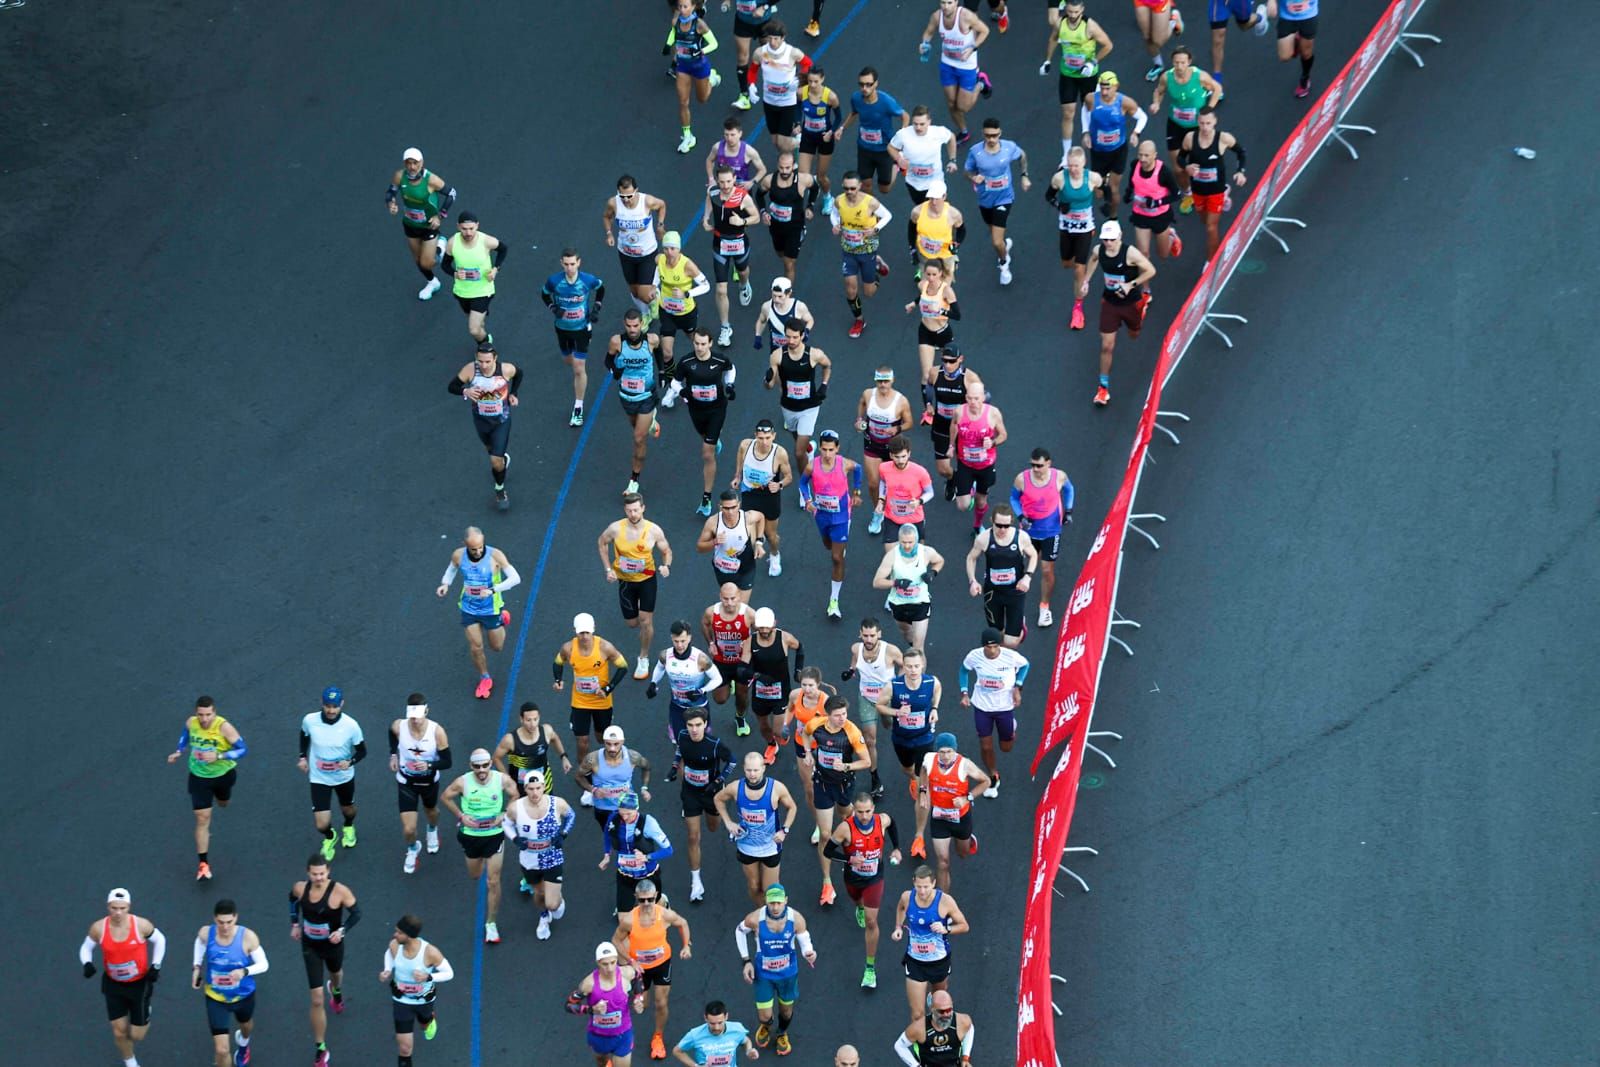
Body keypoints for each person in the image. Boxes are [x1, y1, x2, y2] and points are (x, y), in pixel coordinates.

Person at [439, 750, 519, 943]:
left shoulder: (502, 779)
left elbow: (516, 794)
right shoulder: (463, 782)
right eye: (477, 766)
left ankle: (491, 924)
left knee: (493, 881)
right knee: (475, 874)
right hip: (471, 836)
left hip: (494, 836)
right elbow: (445, 797)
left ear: (491, 763)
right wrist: (461, 816)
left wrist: (505, 813)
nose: (481, 770)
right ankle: (483, 864)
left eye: (485, 765)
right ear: (470, 765)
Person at [81, 887, 167, 1067]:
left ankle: (146, 1012)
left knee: (137, 1035)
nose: (118, 913)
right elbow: (86, 947)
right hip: (113, 984)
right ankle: (130, 1062)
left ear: (129, 907)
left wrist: (156, 965)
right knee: (119, 1032)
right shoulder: (99, 928)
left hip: (139, 984)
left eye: (122, 908)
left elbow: (160, 940)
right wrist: (87, 963)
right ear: (108, 907)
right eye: (114, 908)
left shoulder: (141, 925)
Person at [823, 792, 901, 988]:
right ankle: (859, 906)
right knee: (857, 900)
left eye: (867, 811)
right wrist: (849, 859)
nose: (864, 816)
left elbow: (893, 825)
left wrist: (897, 848)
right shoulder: (845, 828)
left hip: (875, 878)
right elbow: (828, 851)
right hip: (853, 879)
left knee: (871, 921)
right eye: (860, 812)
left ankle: (869, 969)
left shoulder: (881, 820)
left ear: (873, 809)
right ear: (854, 811)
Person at [290, 855, 360, 1067]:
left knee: (336, 974)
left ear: (328, 872)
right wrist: (294, 923)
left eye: (322, 874)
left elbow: (356, 912)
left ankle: (336, 991)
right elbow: (292, 900)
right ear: (307, 873)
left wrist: (342, 930)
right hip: (310, 946)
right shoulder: (300, 888)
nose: (318, 878)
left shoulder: (340, 891)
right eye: (314, 874)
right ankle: (320, 1048)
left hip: (333, 945)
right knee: (317, 999)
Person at [800, 695, 872, 901]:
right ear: (828, 715)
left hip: (843, 784)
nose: (843, 718)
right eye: (838, 715)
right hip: (822, 783)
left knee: (845, 815)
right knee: (825, 834)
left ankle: (850, 839)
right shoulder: (816, 724)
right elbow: (805, 734)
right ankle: (827, 882)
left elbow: (866, 761)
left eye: (845, 714)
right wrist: (807, 753)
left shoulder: (851, 731)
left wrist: (847, 766)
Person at [613, 879, 694, 1060]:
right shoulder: (628, 920)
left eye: (650, 899)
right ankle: (623, 1036)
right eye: (642, 900)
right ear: (636, 898)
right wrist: (630, 960)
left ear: (656, 896)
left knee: (661, 1003)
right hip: (640, 969)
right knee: (642, 1005)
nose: (647, 904)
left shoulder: (664, 914)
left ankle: (658, 1037)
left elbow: (683, 923)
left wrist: (686, 945)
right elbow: (616, 940)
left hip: (662, 964)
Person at [167, 696, 247, 881]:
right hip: (198, 777)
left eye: (208, 715)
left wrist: (219, 755)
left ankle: (222, 798)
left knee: (223, 802)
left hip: (223, 775)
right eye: (201, 714)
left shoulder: (224, 727)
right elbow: (185, 734)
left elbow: (243, 749)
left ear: (215, 712)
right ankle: (203, 864)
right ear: (196, 712)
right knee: (202, 818)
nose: (204, 719)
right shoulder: (191, 722)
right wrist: (179, 750)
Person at [436, 526, 521, 699]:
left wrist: (493, 590)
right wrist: (445, 584)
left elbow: (515, 579)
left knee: (496, 647)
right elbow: (452, 568)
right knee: (476, 647)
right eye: (473, 549)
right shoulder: (458, 555)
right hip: (469, 607)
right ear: (465, 544)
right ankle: (484, 677)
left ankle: (502, 618)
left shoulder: (495, 555)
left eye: (480, 547)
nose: (478, 551)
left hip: (491, 608)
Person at [599, 492, 676, 679]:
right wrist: (608, 569)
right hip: (626, 582)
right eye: (629, 510)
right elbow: (602, 543)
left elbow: (666, 551)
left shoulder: (653, 530)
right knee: (632, 623)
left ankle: (643, 657)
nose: (633, 514)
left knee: (645, 620)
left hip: (647, 580)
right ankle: (642, 629)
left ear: (643, 508)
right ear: (625, 510)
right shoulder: (615, 529)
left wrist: (666, 566)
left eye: (636, 510)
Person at [735, 885, 817, 1057]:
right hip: (763, 974)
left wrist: (809, 953)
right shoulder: (755, 918)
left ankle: (781, 1033)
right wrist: (746, 961)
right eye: (772, 903)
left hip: (787, 974)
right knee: (764, 1016)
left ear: (786, 900)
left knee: (786, 1011)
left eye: (779, 902)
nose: (775, 907)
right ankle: (766, 1025)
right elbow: (739, 931)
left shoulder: (797, 919)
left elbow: (805, 941)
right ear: (766, 901)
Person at [1081, 218, 1156, 405]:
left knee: (1134, 334)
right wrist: (1086, 281)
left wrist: (1131, 284)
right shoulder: (1100, 250)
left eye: (1112, 239)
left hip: (1131, 302)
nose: (1108, 243)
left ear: (1120, 237)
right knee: (1107, 346)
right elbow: (1093, 259)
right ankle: (1103, 388)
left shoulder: (1130, 253)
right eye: (1105, 239)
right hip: (1110, 302)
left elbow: (1150, 270)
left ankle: (1142, 307)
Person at [554, 614, 632, 787]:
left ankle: (609, 764)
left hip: (601, 702)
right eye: (581, 633)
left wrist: (607, 689)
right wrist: (558, 680)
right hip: (580, 701)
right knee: (582, 742)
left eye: (587, 632)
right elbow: (557, 662)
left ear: (593, 630)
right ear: (575, 631)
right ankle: (587, 780)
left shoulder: (605, 647)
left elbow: (623, 667)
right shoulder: (568, 648)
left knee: (601, 738)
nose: (584, 636)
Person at [875, 647, 941, 844]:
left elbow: (937, 691)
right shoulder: (893, 686)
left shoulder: (932, 681)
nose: (913, 670)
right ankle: (913, 778)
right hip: (901, 738)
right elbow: (879, 705)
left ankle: (918, 835)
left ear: (923, 666)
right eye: (909, 666)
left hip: (924, 737)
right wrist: (896, 712)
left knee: (924, 780)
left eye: (916, 666)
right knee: (907, 768)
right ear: (903, 666)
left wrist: (935, 708)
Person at [668, 329, 738, 516]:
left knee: (707, 453)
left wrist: (730, 385)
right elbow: (674, 382)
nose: (699, 347)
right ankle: (713, 440)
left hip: (717, 409)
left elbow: (731, 370)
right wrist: (681, 391)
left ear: (710, 343)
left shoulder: (719, 360)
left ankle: (706, 498)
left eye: (703, 344)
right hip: (696, 410)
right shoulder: (686, 362)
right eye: (696, 344)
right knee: (705, 436)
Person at [715, 752, 800, 903]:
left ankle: (774, 916)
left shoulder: (776, 788)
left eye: (755, 770)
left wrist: (785, 830)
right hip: (746, 846)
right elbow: (718, 799)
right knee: (754, 886)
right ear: (744, 769)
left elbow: (792, 807)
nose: (752, 774)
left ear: (763, 768)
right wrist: (728, 822)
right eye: (749, 770)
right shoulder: (735, 787)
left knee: (770, 890)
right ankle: (761, 916)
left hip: (770, 847)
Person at [192, 899, 268, 1067]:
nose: (225, 927)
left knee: (246, 1026)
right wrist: (197, 966)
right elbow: (199, 942)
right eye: (220, 922)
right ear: (214, 919)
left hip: (243, 995)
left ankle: (244, 1043)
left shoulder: (248, 937)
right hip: (216, 998)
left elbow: (264, 965)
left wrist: (244, 971)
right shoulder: (207, 933)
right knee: (221, 1050)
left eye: (229, 922)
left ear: (236, 918)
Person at [448, 341, 524, 510]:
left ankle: (500, 490)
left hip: (501, 420)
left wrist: (513, 393)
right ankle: (502, 460)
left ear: (495, 359)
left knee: (495, 461)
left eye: (488, 361)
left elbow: (519, 374)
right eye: (480, 361)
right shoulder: (470, 370)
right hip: (481, 420)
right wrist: (465, 391)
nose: (483, 365)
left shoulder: (506, 370)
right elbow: (452, 386)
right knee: (491, 452)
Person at [503, 769, 577, 939]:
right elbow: (506, 824)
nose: (535, 793)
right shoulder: (516, 807)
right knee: (539, 894)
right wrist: (515, 838)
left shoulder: (556, 803)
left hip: (552, 857)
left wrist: (563, 834)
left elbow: (571, 816)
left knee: (553, 904)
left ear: (544, 786)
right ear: (525, 788)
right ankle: (543, 916)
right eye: (531, 788)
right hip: (529, 860)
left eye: (538, 788)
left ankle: (555, 903)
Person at [890, 868, 968, 1025]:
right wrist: (898, 927)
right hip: (915, 962)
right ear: (914, 883)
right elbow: (900, 908)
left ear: (933, 883)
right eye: (918, 886)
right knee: (917, 1014)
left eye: (926, 887)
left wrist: (946, 929)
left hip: (939, 961)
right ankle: (921, 1047)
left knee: (938, 1002)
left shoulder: (945, 901)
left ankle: (935, 1024)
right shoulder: (907, 897)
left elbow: (964, 926)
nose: (922, 891)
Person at [1148, 44, 1220, 213]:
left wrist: (1208, 110)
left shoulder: (1200, 76)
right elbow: (1159, 91)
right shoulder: (1167, 77)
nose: (1179, 66)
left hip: (1197, 126)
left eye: (1182, 62)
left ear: (1189, 62)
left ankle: (1215, 189)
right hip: (1175, 125)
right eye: (1176, 63)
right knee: (1178, 168)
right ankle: (1188, 194)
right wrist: (1156, 103)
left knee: (1202, 162)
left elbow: (1217, 89)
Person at [1038, 2, 1114, 161]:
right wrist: (1047, 61)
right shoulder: (1060, 23)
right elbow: (1053, 38)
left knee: (1090, 110)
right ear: (1066, 9)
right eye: (1070, 12)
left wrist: (1093, 62)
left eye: (1076, 12)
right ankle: (1066, 155)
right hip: (1068, 74)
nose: (1073, 15)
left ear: (1082, 10)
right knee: (1067, 113)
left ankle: (1097, 145)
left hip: (1088, 75)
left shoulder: (1090, 26)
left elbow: (1108, 45)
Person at [800, 428, 864, 618]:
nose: (827, 454)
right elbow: (802, 484)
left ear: (837, 449)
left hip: (842, 516)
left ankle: (833, 601)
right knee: (828, 546)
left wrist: (857, 492)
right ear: (820, 448)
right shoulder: (812, 466)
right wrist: (808, 500)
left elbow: (858, 468)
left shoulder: (844, 464)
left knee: (836, 558)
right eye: (824, 449)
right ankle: (838, 546)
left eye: (831, 450)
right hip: (822, 515)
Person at [676, 707, 737, 902]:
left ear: (705, 725)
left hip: (711, 793)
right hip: (690, 793)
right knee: (693, 837)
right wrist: (674, 766)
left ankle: (721, 813)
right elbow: (679, 751)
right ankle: (696, 882)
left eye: (698, 725)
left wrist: (719, 781)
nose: (694, 729)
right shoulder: (682, 736)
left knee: (713, 827)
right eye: (690, 725)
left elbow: (733, 761)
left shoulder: (714, 744)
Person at [299, 686, 366, 861]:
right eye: (328, 706)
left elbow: (362, 751)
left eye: (335, 706)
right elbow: (304, 735)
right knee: (321, 824)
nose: (331, 710)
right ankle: (330, 836)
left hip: (343, 777)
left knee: (348, 810)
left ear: (341, 704)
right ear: (322, 703)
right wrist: (302, 757)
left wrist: (350, 762)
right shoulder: (310, 720)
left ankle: (349, 826)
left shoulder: (351, 726)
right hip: (319, 777)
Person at [542, 248, 607, 426]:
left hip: (581, 328)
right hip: (562, 328)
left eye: (573, 264)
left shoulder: (587, 280)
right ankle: (579, 364)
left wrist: (596, 308)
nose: (570, 268)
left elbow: (601, 289)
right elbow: (544, 294)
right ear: (561, 263)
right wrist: (553, 309)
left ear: (579, 262)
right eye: (566, 264)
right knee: (568, 360)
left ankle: (578, 408)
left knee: (579, 368)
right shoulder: (554, 281)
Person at [607, 310, 670, 494]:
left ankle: (634, 480)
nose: (632, 330)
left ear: (642, 323)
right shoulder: (617, 342)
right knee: (636, 428)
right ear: (624, 324)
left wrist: (661, 372)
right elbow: (607, 360)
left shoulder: (651, 340)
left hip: (646, 396)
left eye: (636, 326)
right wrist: (614, 371)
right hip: (626, 396)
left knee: (638, 438)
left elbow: (658, 354)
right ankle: (651, 421)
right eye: (629, 326)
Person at [959, 629, 1028, 795]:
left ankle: (1011, 727)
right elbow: (964, 670)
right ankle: (992, 774)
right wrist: (964, 693)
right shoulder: (974, 656)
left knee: (1006, 747)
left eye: (995, 647)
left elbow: (1025, 665)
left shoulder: (1010, 656)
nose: (992, 651)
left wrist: (1017, 687)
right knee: (985, 744)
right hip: (982, 706)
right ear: (983, 646)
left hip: (1004, 706)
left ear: (1000, 645)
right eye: (988, 647)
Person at [917, 734, 990, 889]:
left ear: (955, 751)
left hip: (961, 818)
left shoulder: (965, 765)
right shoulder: (930, 759)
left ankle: (969, 840)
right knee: (943, 863)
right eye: (942, 752)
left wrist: (967, 798)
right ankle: (944, 903)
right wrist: (923, 790)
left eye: (949, 751)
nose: (945, 756)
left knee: (962, 853)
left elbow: (986, 781)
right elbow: (923, 771)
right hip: (939, 818)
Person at [1012, 448, 1074, 627]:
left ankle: (1044, 607)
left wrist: (1068, 510)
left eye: (1039, 465)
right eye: (1032, 465)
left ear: (1048, 463)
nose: (1035, 469)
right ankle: (1015, 603)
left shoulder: (1059, 477)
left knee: (1046, 570)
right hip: (1029, 531)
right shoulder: (1022, 479)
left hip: (1051, 531)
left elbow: (1069, 490)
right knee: (1021, 565)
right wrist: (1020, 517)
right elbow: (1014, 498)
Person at [962, 117, 1029, 284]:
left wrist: (1024, 175)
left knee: (995, 241)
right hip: (985, 199)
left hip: (1004, 197)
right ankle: (1004, 246)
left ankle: (1004, 264)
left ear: (1000, 133)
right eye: (987, 136)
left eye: (994, 135)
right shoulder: (975, 152)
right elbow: (967, 171)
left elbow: (1022, 156)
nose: (991, 139)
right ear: (983, 134)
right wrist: (973, 177)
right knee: (995, 233)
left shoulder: (1009, 147)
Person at [647, 620, 724, 761]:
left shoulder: (700, 659)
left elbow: (717, 679)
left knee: (701, 740)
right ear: (671, 638)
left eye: (683, 640)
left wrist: (701, 691)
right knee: (680, 742)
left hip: (698, 707)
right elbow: (659, 667)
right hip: (677, 706)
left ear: (689, 637)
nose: (680, 645)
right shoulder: (666, 655)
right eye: (676, 641)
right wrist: (653, 683)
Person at [829, 171, 894, 338]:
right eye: (846, 188)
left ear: (859, 186)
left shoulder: (870, 202)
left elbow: (887, 215)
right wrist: (836, 225)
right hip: (848, 250)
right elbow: (834, 213)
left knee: (869, 293)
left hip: (867, 250)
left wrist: (875, 229)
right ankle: (859, 320)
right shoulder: (839, 200)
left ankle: (877, 267)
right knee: (850, 289)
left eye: (852, 188)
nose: (849, 192)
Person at [391, 695, 451, 874]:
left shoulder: (437, 732)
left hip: (428, 782)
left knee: (431, 811)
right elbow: (391, 734)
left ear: (426, 711)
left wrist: (429, 764)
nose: (415, 720)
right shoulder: (398, 726)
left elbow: (448, 762)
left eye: (418, 715)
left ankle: (432, 829)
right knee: (409, 829)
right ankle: (412, 848)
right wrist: (393, 754)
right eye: (412, 715)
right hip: (406, 782)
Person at [841, 617, 900, 798]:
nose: (868, 639)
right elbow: (854, 661)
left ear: (879, 635)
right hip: (866, 698)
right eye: (865, 635)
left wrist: (898, 686)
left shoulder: (890, 651)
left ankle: (889, 723)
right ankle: (875, 777)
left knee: (888, 725)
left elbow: (906, 666)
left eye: (872, 635)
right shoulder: (856, 648)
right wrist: (850, 671)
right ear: (860, 634)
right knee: (870, 739)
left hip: (886, 699)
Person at [1047, 147, 1104, 331]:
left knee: (1079, 269)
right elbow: (1048, 196)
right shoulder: (1059, 179)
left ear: (1083, 164)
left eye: (1077, 166)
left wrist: (1108, 208)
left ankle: (1078, 308)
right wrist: (1058, 205)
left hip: (1085, 229)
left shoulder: (1093, 178)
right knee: (1066, 263)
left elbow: (1104, 190)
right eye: (1070, 165)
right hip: (1066, 228)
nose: (1073, 169)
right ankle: (1083, 268)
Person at [387, 147, 456, 300]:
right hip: (410, 224)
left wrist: (440, 216)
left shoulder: (431, 180)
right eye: (408, 163)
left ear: (422, 163)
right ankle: (432, 282)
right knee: (418, 261)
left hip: (428, 226)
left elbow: (452, 194)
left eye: (415, 163)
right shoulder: (400, 176)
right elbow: (390, 192)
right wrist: (391, 203)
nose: (412, 167)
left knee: (427, 263)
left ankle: (441, 246)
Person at [382, 915, 454, 1063]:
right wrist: (388, 969)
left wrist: (428, 977)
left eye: (399, 932)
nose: (395, 935)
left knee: (424, 1023)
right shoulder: (395, 945)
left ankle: (429, 1020)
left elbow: (449, 973)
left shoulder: (430, 952)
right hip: (401, 1000)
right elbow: (389, 953)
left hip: (423, 1000)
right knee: (404, 1049)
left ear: (409, 936)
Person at [705, 165, 762, 347]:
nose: (725, 185)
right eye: (722, 182)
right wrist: (705, 218)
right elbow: (709, 201)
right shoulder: (713, 192)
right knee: (721, 289)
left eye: (729, 181)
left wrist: (742, 221)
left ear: (734, 179)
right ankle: (725, 327)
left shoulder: (742, 197)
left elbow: (756, 217)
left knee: (743, 272)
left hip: (738, 243)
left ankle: (744, 284)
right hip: (719, 244)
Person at [966, 503, 1038, 647]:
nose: (1002, 530)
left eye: (1006, 526)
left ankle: (1015, 633)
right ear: (992, 521)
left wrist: (1027, 577)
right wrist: (972, 581)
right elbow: (971, 558)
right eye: (999, 525)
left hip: (1015, 591)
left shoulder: (1021, 537)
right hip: (993, 593)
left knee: (1010, 642)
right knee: (997, 635)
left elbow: (1033, 555)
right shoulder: (984, 538)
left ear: (1011, 523)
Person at [918, 0, 990, 144]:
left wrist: (972, 48)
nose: (946, 6)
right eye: (943, 2)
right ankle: (964, 132)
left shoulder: (966, 16)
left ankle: (981, 83)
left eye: (949, 2)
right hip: (947, 64)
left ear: (956, 2)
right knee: (951, 104)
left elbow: (984, 30)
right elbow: (928, 32)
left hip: (967, 66)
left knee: (963, 107)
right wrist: (924, 44)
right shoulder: (937, 16)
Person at [767, 323, 830, 486]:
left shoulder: (813, 354)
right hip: (788, 407)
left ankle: (804, 486)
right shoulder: (777, 355)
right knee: (796, 437)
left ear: (802, 336)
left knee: (797, 452)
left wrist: (824, 384)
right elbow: (770, 385)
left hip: (810, 407)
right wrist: (767, 380)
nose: (791, 340)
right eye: (788, 336)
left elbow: (827, 365)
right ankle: (809, 449)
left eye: (795, 337)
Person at [1179, 106, 1248, 254]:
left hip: (1216, 190)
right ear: (1198, 121)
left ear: (1215, 121)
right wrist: (1187, 167)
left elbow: (1241, 153)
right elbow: (1180, 158)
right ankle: (1226, 196)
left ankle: (1212, 262)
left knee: (1211, 227)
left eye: (1208, 123)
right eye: (1202, 123)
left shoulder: (1223, 138)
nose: (1205, 127)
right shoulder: (1190, 138)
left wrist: (1240, 172)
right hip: (1198, 190)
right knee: (1204, 221)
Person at [568, 942, 647, 1067]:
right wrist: (591, 1009)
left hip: (623, 1035)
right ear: (598, 962)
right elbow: (569, 1005)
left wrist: (638, 998)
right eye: (605, 964)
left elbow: (638, 977)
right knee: (601, 1063)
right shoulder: (589, 984)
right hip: (599, 1036)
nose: (610, 968)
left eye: (613, 962)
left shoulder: (626, 973)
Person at [732, 419, 795, 576]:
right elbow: (740, 458)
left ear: (774, 436)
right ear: (755, 436)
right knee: (747, 529)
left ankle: (774, 554)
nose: (764, 442)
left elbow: (789, 477)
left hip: (769, 496)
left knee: (771, 535)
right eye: (760, 438)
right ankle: (748, 557)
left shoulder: (779, 453)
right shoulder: (745, 445)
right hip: (749, 493)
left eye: (768, 438)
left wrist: (779, 485)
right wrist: (737, 476)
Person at [1082, 70, 1146, 219]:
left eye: (1108, 88)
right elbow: (1084, 112)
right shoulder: (1091, 99)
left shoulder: (1124, 102)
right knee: (1097, 192)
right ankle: (1104, 188)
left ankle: (1113, 217)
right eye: (1102, 88)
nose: (1104, 92)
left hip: (1118, 150)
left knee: (1114, 187)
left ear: (1116, 86)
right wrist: (1085, 132)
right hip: (1098, 151)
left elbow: (1142, 117)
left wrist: (1136, 133)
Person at [601, 792, 677, 915]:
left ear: (636, 809)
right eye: (622, 813)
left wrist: (647, 857)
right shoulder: (613, 819)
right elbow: (607, 835)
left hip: (647, 874)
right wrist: (606, 855)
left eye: (628, 814)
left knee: (651, 913)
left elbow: (668, 850)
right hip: (624, 873)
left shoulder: (649, 823)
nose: (624, 817)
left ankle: (662, 901)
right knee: (624, 920)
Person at [605, 175, 670, 320]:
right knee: (634, 291)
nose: (626, 200)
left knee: (644, 294)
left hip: (647, 253)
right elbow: (606, 217)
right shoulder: (613, 203)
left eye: (629, 196)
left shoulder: (647, 201)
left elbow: (662, 205)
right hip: (625, 254)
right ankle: (645, 315)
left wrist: (660, 225)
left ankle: (655, 295)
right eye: (622, 196)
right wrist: (609, 234)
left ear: (637, 191)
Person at [947, 380, 1007, 534]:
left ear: (983, 397)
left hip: (985, 465)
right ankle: (970, 490)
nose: (972, 402)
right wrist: (951, 446)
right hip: (965, 464)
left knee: (981, 502)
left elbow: (1004, 435)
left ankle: (977, 525)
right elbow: (954, 426)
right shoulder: (959, 412)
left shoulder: (993, 413)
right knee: (962, 505)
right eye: (969, 398)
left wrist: (992, 442)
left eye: (976, 399)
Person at [744, 21, 811, 156]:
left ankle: (804, 143)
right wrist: (751, 85)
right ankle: (789, 158)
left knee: (782, 142)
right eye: (770, 38)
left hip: (787, 103)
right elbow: (752, 70)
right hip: (769, 102)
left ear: (783, 38)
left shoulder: (793, 53)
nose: (772, 42)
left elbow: (808, 64)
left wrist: (798, 80)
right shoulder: (760, 53)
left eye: (776, 38)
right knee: (775, 142)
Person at [874, 523, 945, 650]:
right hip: (898, 603)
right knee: (906, 633)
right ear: (899, 540)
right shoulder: (892, 556)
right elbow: (877, 582)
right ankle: (913, 648)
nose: (907, 546)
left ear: (917, 540)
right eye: (903, 542)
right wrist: (896, 583)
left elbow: (939, 561)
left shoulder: (926, 552)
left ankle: (918, 660)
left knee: (918, 649)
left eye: (910, 542)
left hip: (920, 603)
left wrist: (932, 573)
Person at [440, 211, 507, 346]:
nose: (468, 233)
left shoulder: (486, 241)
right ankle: (482, 328)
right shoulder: (453, 242)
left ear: (477, 226)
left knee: (474, 330)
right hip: (462, 292)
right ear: (458, 227)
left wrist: (495, 269)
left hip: (483, 290)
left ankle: (486, 345)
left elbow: (503, 249)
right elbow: (445, 265)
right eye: (464, 229)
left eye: (471, 228)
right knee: (478, 323)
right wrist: (455, 274)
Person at [749, 608, 806, 762]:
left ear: (774, 623)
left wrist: (798, 670)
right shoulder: (750, 642)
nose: (765, 630)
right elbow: (742, 668)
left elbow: (799, 648)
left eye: (767, 626)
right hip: (760, 693)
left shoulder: (785, 638)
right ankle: (771, 744)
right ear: (755, 626)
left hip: (781, 692)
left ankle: (790, 708)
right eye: (761, 627)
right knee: (764, 727)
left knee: (778, 731)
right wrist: (756, 675)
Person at [857, 368, 914, 522]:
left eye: (886, 381)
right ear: (875, 380)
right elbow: (862, 404)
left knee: (894, 483)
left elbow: (909, 422)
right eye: (879, 381)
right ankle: (878, 512)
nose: (883, 384)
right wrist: (859, 420)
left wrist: (897, 428)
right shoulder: (868, 394)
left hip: (893, 449)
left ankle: (898, 509)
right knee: (873, 484)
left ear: (892, 380)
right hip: (872, 445)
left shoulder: (901, 401)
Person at [841, 67, 909, 196]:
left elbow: (905, 116)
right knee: (866, 185)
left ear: (876, 83)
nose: (864, 88)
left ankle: (896, 167)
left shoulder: (886, 102)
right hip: (864, 149)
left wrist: (901, 139)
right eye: (861, 84)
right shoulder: (856, 98)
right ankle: (872, 212)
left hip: (884, 150)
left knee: (885, 189)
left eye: (868, 84)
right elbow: (854, 112)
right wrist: (842, 128)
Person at [668, 0, 725, 153]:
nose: (682, 9)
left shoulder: (699, 24)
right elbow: (673, 35)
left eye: (685, 6)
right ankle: (688, 136)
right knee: (683, 102)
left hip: (699, 66)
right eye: (680, 6)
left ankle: (711, 80)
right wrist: (668, 46)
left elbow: (714, 43)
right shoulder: (676, 22)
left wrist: (703, 50)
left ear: (694, 6)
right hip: (683, 67)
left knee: (702, 99)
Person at [905, 260, 959, 419]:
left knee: (951, 372)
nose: (930, 277)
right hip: (925, 331)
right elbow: (922, 297)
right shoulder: (922, 285)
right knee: (927, 375)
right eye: (928, 274)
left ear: (940, 274)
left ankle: (953, 404)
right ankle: (928, 409)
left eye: (934, 274)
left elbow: (958, 315)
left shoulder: (946, 291)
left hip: (943, 333)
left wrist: (942, 310)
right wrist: (913, 304)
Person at [926, 344, 981, 497]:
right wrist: (929, 404)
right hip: (941, 425)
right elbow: (929, 387)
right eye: (945, 361)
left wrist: (974, 415)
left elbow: (985, 398)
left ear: (960, 359)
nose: (948, 365)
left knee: (966, 462)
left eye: (952, 361)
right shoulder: (935, 372)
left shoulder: (970, 378)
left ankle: (967, 482)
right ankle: (954, 479)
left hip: (963, 426)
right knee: (943, 469)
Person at [654, 231, 713, 370]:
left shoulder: (688, 265)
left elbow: (706, 286)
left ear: (679, 249)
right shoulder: (660, 259)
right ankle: (671, 379)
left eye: (672, 248)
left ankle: (705, 365)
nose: (669, 252)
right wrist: (653, 286)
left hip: (686, 313)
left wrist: (686, 294)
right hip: (667, 312)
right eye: (666, 248)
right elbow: (658, 273)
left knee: (697, 343)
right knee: (666, 353)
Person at [576, 725, 654, 830]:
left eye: (616, 744)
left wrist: (644, 788)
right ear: (604, 742)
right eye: (608, 744)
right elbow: (578, 776)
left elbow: (647, 767)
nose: (612, 748)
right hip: (603, 807)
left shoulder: (633, 757)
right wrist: (592, 790)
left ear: (622, 742)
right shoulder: (593, 759)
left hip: (627, 805)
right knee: (610, 836)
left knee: (630, 836)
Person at [703, 584, 757, 730]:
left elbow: (762, 634)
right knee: (720, 699)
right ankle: (729, 684)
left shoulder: (749, 614)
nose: (729, 603)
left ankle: (740, 717)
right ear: (720, 597)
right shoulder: (711, 612)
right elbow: (705, 624)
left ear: (739, 596)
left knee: (741, 695)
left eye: (733, 598)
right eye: (725, 599)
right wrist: (711, 642)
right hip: (721, 662)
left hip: (742, 662)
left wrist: (751, 647)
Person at [700, 489, 770, 601]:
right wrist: (714, 542)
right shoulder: (713, 522)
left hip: (746, 568)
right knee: (729, 603)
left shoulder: (747, 517)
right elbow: (700, 547)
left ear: (739, 505)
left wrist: (759, 542)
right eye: (726, 508)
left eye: (733, 507)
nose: (730, 512)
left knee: (741, 607)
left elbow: (761, 517)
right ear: (720, 507)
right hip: (723, 569)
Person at [756, 157, 818, 284]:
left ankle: (787, 294)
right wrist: (763, 212)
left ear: (793, 166)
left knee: (789, 264)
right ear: (777, 165)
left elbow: (815, 188)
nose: (784, 171)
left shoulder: (802, 179)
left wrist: (810, 206)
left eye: (787, 168)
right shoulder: (769, 180)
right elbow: (759, 195)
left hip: (795, 227)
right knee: (781, 254)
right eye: (781, 168)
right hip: (776, 227)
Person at [494, 700, 573, 798]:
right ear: (521, 719)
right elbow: (496, 758)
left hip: (544, 783)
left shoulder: (546, 731)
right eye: (528, 720)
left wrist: (563, 756)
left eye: (535, 719)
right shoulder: (510, 740)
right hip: (521, 787)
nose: (533, 724)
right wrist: (507, 778)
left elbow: (555, 738)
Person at [1125, 138, 1185, 259]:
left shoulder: (1164, 172)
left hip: (1160, 216)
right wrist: (1128, 193)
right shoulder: (1135, 164)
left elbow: (1177, 195)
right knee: (1143, 254)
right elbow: (1132, 181)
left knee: (1163, 255)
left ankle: (1171, 236)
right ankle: (1145, 276)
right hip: (1140, 214)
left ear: (1154, 156)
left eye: (1146, 155)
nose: (1142, 159)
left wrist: (1156, 203)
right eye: (1140, 155)